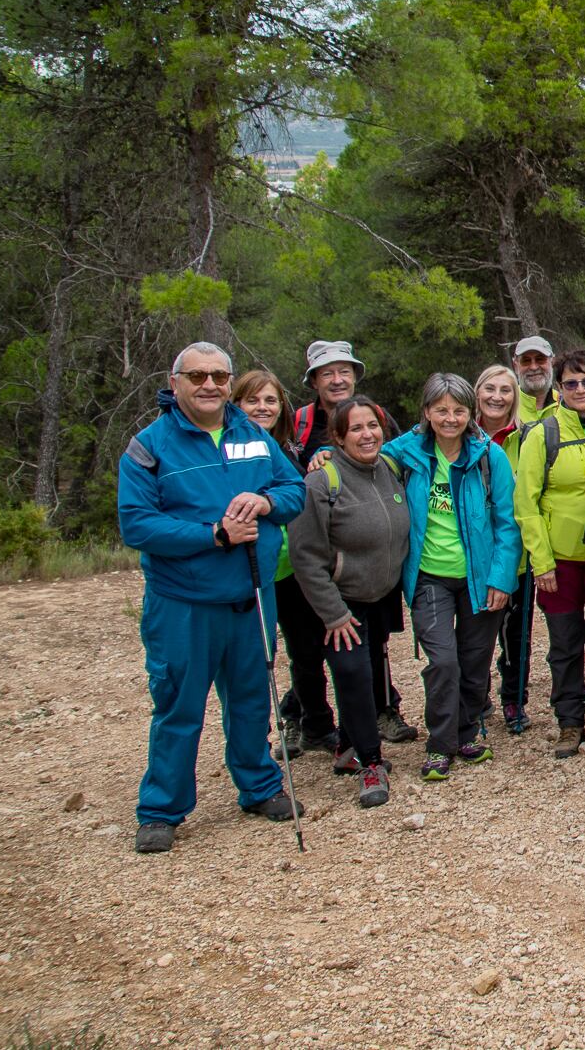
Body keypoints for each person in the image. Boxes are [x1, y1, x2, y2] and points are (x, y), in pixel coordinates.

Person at [121, 343, 307, 853]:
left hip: (251, 594)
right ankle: (162, 808)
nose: (210, 386)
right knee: (179, 705)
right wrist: (215, 535)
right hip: (183, 601)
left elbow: (295, 491)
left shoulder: (252, 435)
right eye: (198, 376)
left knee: (250, 698)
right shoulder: (150, 446)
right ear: (175, 380)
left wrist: (266, 500)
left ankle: (260, 785)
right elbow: (136, 523)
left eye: (220, 377)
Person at [384, 374, 523, 783]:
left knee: (474, 660)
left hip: (480, 577)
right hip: (429, 576)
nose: (450, 418)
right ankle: (439, 744)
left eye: (459, 410)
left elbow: (507, 523)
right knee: (443, 661)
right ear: (426, 412)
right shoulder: (406, 454)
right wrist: (323, 453)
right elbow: (361, 455)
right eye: (441, 410)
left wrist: (502, 579)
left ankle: (466, 734)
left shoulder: (486, 456)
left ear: (470, 412)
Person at [287, 396, 413, 810]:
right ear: (337, 437)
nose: (367, 434)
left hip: (379, 596)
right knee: (354, 677)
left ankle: (346, 745)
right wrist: (334, 612)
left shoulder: (390, 470)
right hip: (340, 604)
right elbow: (304, 556)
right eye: (355, 428)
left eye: (372, 426)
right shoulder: (322, 483)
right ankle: (370, 762)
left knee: (371, 674)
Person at [514, 347, 585, 759]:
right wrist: (540, 562)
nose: (580, 389)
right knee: (564, 642)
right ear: (559, 388)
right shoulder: (542, 433)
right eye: (571, 383)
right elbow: (525, 504)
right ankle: (569, 721)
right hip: (559, 559)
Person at [232, 369, 336, 758]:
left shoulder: (292, 450)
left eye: (270, 400)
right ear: (236, 404)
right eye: (252, 400)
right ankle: (262, 739)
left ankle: (317, 725)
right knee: (256, 657)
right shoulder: (228, 450)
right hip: (245, 568)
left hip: (292, 567)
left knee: (307, 651)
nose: (262, 408)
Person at [476, 364, 537, 734]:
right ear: (477, 392)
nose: (497, 397)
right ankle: (475, 696)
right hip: (472, 555)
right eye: (490, 388)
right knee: (473, 634)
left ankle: (514, 697)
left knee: (517, 635)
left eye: (506, 390)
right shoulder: (454, 433)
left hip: (516, 554)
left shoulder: (525, 436)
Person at [291, 339, 364, 465]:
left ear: (354, 377)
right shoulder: (297, 423)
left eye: (344, 372)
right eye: (327, 374)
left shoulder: (378, 416)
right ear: (314, 381)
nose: (337, 380)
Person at [512, 335, 558, 426]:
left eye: (540, 359)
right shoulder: (507, 404)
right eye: (526, 361)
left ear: (552, 362)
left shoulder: (565, 403)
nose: (533, 367)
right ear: (515, 366)